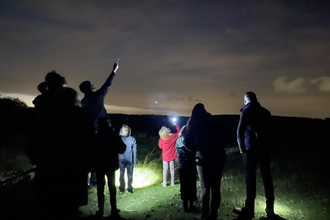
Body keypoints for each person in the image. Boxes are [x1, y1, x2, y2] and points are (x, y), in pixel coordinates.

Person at [27, 87, 96, 220]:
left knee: (52, 209)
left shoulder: (49, 115)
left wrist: (40, 162)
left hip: (50, 173)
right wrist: (90, 164)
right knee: (69, 210)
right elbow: (90, 144)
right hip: (74, 173)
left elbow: (34, 144)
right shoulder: (81, 116)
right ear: (75, 100)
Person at [235, 91, 275, 219]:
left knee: (250, 178)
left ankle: (249, 208)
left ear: (245, 101)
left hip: (250, 149)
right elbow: (272, 130)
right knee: (267, 177)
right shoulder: (265, 112)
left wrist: (241, 148)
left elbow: (240, 131)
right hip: (264, 148)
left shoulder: (246, 111)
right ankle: (270, 207)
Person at [79, 61, 119, 188]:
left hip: (90, 131)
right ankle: (95, 181)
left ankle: (89, 181)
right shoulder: (97, 97)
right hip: (101, 130)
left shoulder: (83, 101)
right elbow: (107, 85)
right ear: (89, 88)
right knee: (101, 155)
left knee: (90, 155)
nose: (94, 86)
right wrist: (114, 71)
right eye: (92, 85)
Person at [185, 103, 226, 220]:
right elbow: (225, 135)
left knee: (205, 187)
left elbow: (187, 142)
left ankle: (204, 214)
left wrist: (196, 150)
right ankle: (213, 215)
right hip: (218, 156)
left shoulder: (194, 124)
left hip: (203, 158)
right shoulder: (214, 121)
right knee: (216, 187)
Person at [95, 117, 126, 218]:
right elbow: (122, 148)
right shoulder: (113, 135)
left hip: (99, 164)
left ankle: (100, 210)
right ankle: (113, 209)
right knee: (112, 187)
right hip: (111, 164)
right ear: (108, 123)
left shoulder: (97, 135)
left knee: (100, 188)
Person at [175, 125, 197, 213]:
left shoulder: (178, 141)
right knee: (192, 185)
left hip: (182, 166)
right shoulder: (193, 142)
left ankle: (185, 206)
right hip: (191, 166)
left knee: (184, 185)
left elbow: (176, 151)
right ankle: (191, 205)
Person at [158, 121, 181, 187]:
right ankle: (172, 182)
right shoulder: (173, 136)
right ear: (167, 131)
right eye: (167, 128)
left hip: (165, 157)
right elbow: (179, 132)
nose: (168, 128)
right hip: (172, 156)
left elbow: (160, 146)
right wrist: (176, 124)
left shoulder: (162, 139)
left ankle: (164, 182)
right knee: (172, 169)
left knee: (165, 170)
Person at [118, 124, 137, 193]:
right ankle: (129, 188)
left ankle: (122, 188)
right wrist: (134, 160)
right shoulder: (132, 139)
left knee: (121, 173)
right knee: (130, 175)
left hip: (121, 159)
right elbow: (134, 151)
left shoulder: (119, 139)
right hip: (129, 160)